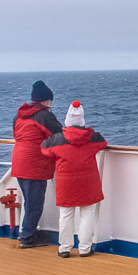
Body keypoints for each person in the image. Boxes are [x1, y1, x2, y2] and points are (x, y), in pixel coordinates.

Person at [41, 101, 107, 258]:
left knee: (65, 214)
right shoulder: (92, 137)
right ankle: (85, 248)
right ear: (82, 120)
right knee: (87, 214)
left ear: (67, 120)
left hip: (66, 182)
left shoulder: (57, 140)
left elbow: (44, 149)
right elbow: (103, 143)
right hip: (88, 182)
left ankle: (64, 248)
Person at [12, 80, 62, 249]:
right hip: (35, 164)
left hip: (19, 162)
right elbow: (59, 135)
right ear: (45, 100)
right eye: (50, 100)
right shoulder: (45, 116)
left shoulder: (19, 116)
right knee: (34, 203)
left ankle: (27, 231)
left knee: (29, 201)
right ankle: (27, 236)